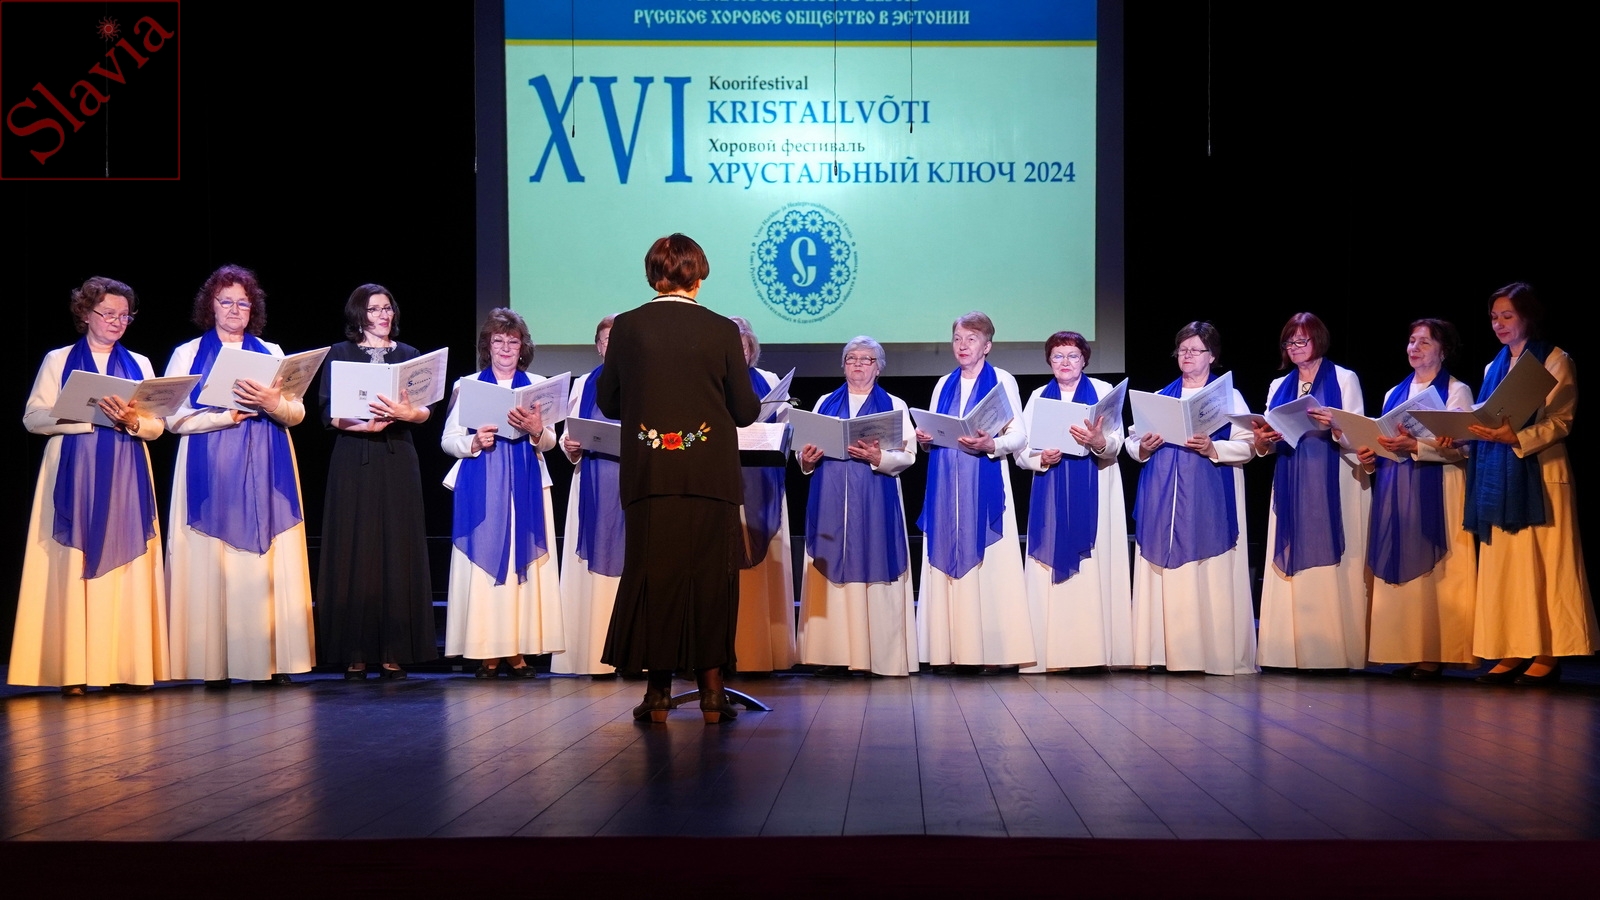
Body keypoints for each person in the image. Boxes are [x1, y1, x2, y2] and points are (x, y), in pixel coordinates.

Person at [596, 233, 761, 723]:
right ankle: (712, 693)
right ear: (698, 276)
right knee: (710, 580)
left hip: (650, 473)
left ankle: (658, 694)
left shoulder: (627, 327)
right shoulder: (721, 329)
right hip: (709, 475)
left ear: (654, 275)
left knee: (654, 577)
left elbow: (609, 401)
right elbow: (746, 410)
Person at [10, 277, 170, 695]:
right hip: (72, 471)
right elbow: (33, 417)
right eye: (108, 313)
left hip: (125, 474)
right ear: (85, 313)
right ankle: (75, 671)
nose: (117, 322)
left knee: (127, 567)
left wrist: (133, 421)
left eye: (125, 316)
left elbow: (157, 425)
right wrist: (90, 418)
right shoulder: (59, 359)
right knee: (71, 563)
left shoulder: (140, 363)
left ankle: (125, 668)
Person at [165, 265, 314, 687]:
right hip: (209, 468)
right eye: (226, 301)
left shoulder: (271, 351)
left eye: (243, 303)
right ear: (210, 306)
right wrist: (224, 417)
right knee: (213, 562)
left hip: (266, 466)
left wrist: (272, 402)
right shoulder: (187, 354)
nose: (234, 310)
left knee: (266, 565)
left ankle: (270, 661)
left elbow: (296, 413)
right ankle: (214, 665)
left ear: (253, 309)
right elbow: (172, 419)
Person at [1465, 283, 1597, 685]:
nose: (1499, 324)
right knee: (1508, 569)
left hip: (1540, 473)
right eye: (1494, 317)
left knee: (1544, 566)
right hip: (1498, 478)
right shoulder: (1492, 367)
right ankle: (1512, 649)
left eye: (1508, 316)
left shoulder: (1554, 360)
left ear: (1528, 316)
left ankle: (1547, 653)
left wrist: (1518, 437)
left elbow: (1561, 420)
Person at [316, 284, 437, 680]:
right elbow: (329, 412)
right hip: (353, 457)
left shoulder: (409, 355)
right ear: (359, 315)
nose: (383, 315)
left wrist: (408, 413)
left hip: (397, 455)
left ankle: (393, 649)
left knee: (396, 547)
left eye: (387, 308)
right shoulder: (340, 353)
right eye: (374, 310)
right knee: (354, 546)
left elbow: (425, 411)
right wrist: (363, 427)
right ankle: (354, 651)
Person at [1125, 322, 1258, 675]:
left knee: (1207, 569)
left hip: (1208, 496)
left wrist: (1214, 447)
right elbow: (1131, 442)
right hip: (1163, 495)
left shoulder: (1229, 397)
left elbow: (1248, 446)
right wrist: (1143, 446)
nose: (1187, 356)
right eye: (1182, 349)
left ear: (1212, 356)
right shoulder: (1161, 396)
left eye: (1195, 350)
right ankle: (1161, 652)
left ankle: (1209, 654)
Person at [440, 308, 562, 678]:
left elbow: (550, 441)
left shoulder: (537, 385)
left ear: (522, 347)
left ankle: (517, 652)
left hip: (526, 486)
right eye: (498, 341)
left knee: (519, 569)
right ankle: (487, 652)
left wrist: (537, 430)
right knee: (484, 570)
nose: (506, 348)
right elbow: (448, 440)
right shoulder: (467, 384)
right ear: (487, 346)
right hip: (482, 487)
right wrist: (473, 442)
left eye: (512, 341)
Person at [915, 311, 1034, 670]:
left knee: (990, 565)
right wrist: (925, 439)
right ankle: (947, 651)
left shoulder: (1002, 380)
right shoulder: (943, 384)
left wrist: (992, 444)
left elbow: (1019, 435)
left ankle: (991, 653)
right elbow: (935, 430)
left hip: (984, 481)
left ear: (987, 346)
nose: (963, 345)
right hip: (945, 485)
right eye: (957, 339)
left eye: (971, 339)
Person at [1357, 319, 1476, 678]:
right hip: (1397, 487)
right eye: (1412, 341)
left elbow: (1465, 448)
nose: (1415, 348)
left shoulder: (1456, 391)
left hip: (1440, 487)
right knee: (1403, 566)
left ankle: (1434, 652)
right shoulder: (1394, 392)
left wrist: (1417, 446)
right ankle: (1406, 650)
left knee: (1438, 572)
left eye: (1425, 342)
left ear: (1443, 350)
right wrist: (1371, 455)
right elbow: (1385, 441)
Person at [1252, 312, 1371, 671]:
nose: (1295, 347)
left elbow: (1360, 435)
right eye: (1289, 342)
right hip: (1291, 479)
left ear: (1317, 339)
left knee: (1334, 560)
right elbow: (1268, 443)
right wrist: (1262, 440)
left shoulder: (1344, 378)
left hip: (1334, 478)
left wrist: (1336, 425)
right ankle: (1285, 652)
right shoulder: (1279, 386)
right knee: (1290, 555)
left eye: (1301, 340)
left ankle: (1332, 652)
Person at [796, 337, 918, 676]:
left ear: (878, 367)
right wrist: (806, 459)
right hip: (830, 499)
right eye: (851, 359)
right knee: (830, 564)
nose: (858, 365)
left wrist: (880, 457)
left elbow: (908, 455)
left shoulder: (893, 404)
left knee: (874, 559)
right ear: (843, 365)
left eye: (866, 359)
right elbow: (805, 449)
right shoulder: (825, 401)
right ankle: (831, 655)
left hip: (875, 499)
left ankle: (876, 657)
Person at [1013, 331, 1132, 672]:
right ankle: (1050, 654)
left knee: (1094, 563)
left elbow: (1117, 442)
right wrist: (1041, 457)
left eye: (1072, 356)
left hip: (1096, 485)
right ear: (1049, 361)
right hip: (1050, 488)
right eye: (1058, 356)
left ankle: (1092, 653)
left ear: (1084, 360)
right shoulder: (1038, 396)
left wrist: (1098, 441)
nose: (1065, 362)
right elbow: (1021, 451)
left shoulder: (1102, 391)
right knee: (1048, 565)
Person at [554, 314, 623, 676]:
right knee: (590, 575)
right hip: (591, 484)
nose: (612, 345)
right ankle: (593, 652)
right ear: (598, 346)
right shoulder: (583, 384)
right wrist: (570, 446)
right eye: (606, 340)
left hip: (631, 483)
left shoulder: (643, 379)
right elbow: (569, 433)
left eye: (618, 339)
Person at [728, 315, 797, 673]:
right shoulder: (708, 379)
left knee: (760, 570)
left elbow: (785, 425)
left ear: (751, 350)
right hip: (725, 480)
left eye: (742, 348)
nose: (737, 353)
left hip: (762, 481)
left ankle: (760, 652)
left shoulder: (768, 380)